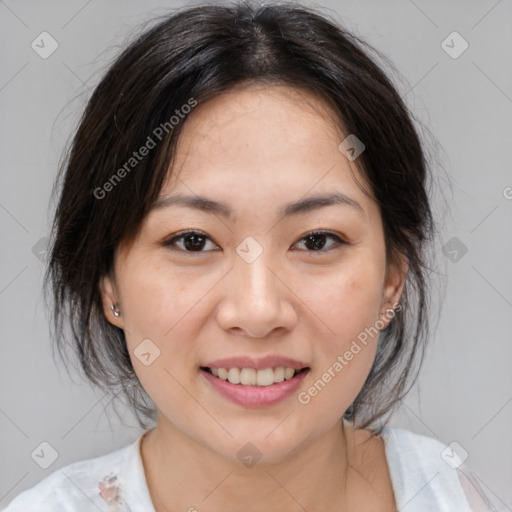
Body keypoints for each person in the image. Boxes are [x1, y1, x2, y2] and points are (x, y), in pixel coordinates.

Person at [2, 1, 501, 511]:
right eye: (193, 241)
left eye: (316, 240)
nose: (258, 311)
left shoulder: (457, 498)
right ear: (108, 283)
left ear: (393, 277)